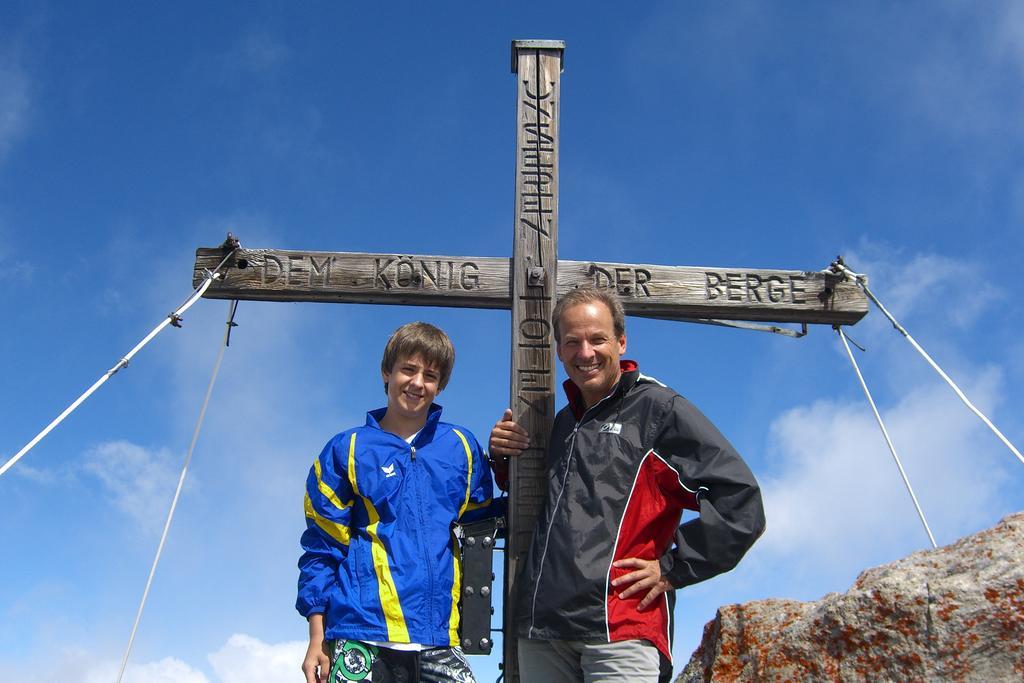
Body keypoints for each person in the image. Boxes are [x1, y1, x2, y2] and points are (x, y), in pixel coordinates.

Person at [489, 287, 765, 682]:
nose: (585, 352)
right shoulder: (563, 422)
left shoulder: (659, 409)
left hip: (621, 631)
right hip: (542, 631)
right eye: (572, 342)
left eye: (597, 339)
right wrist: (502, 455)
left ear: (621, 340)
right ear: (559, 351)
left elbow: (741, 503)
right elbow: (543, 505)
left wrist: (674, 566)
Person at [298, 322, 495, 683]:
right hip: (360, 635)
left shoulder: (463, 448)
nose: (418, 383)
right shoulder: (347, 449)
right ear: (387, 372)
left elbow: (483, 526)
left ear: (441, 385)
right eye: (408, 369)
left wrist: (510, 463)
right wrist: (316, 637)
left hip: (438, 637)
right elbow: (322, 548)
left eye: (430, 375)